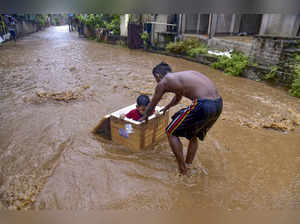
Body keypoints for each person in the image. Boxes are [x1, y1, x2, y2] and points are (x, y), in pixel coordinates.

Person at [139, 62, 223, 175]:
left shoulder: (164, 82)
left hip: (203, 104)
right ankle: (188, 165)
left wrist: (143, 118)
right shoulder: (179, 78)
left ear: (158, 75)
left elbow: (152, 105)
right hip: (218, 104)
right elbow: (178, 98)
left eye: (156, 79)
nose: (157, 82)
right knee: (193, 135)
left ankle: (182, 170)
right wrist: (166, 108)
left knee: (170, 131)